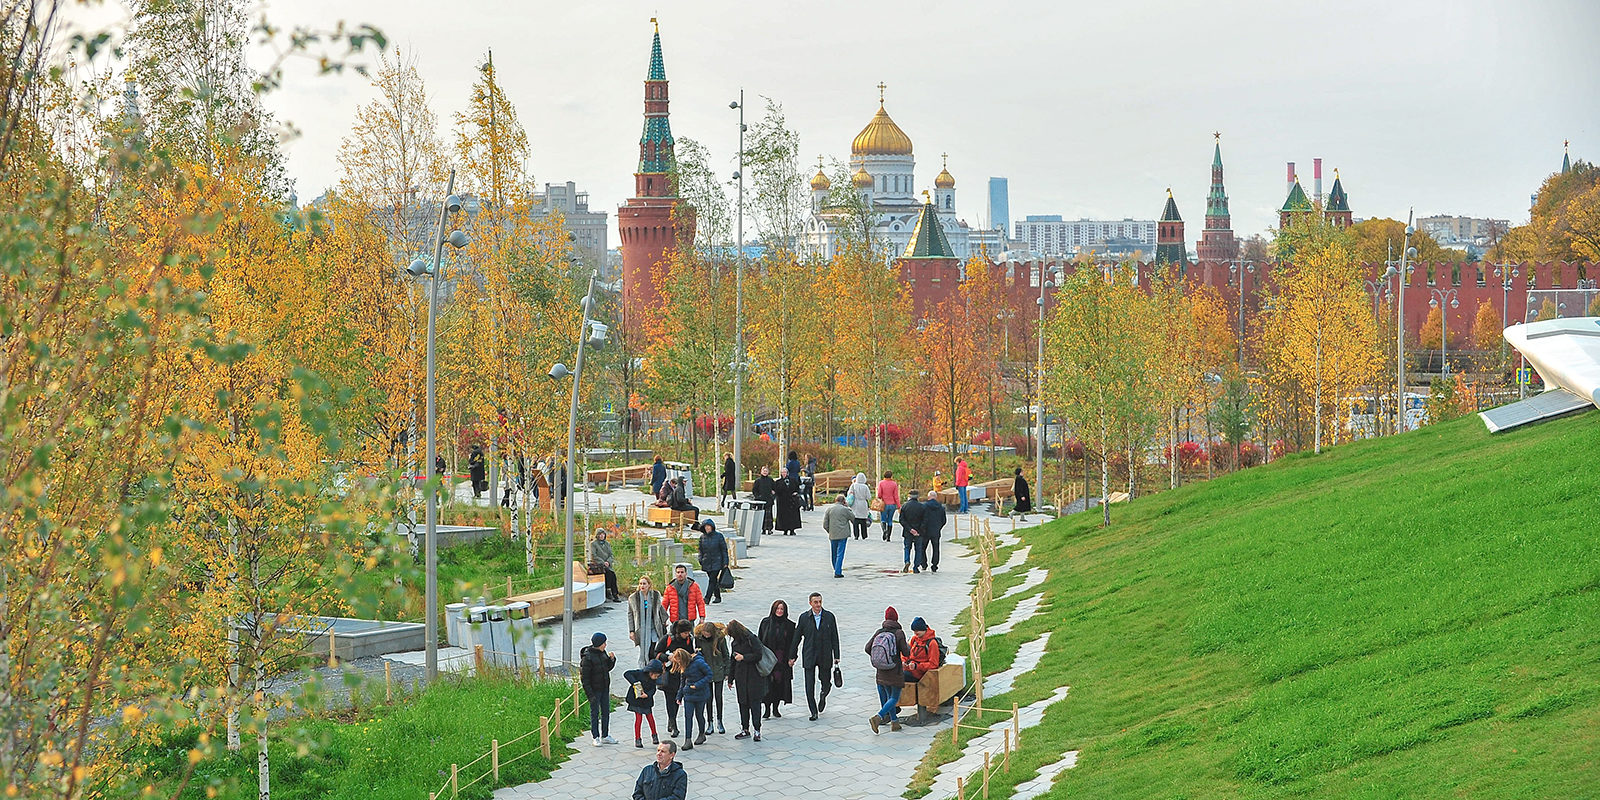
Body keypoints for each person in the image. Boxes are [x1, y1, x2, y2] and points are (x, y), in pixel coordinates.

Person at [792, 591, 840, 721]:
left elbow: (835, 637)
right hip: (809, 654)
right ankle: (813, 711)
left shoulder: (829, 616)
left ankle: (824, 693)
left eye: (820, 602)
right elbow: (797, 638)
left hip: (825, 654)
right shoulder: (804, 617)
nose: (818, 604)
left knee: (825, 680)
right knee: (809, 685)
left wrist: (837, 655)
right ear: (810, 603)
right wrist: (792, 655)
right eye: (815, 602)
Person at [865, 606, 911, 734]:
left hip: (881, 671)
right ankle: (878, 717)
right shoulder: (899, 633)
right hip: (894, 671)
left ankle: (894, 722)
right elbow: (906, 652)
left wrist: (880, 658)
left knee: (888, 696)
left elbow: (867, 648)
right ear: (896, 618)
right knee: (894, 698)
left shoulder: (879, 632)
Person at [653, 620, 696, 738]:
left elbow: (691, 653)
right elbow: (655, 653)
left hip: (681, 674)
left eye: (688, 632)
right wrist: (668, 657)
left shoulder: (689, 640)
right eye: (685, 633)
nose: (687, 635)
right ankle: (674, 724)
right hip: (668, 674)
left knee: (677, 699)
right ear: (679, 632)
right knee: (669, 699)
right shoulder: (668, 638)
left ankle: (672, 720)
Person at [725, 619, 765, 741]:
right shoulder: (735, 643)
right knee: (742, 703)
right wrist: (730, 678)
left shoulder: (751, 638)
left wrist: (744, 657)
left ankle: (757, 729)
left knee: (755, 703)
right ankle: (745, 728)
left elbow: (759, 654)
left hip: (754, 676)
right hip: (741, 677)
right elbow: (732, 661)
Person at [757, 600, 796, 719]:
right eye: (777, 609)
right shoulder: (766, 623)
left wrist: (792, 657)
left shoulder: (789, 625)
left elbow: (793, 643)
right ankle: (767, 708)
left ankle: (776, 707)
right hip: (768, 657)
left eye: (782, 609)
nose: (779, 611)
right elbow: (760, 640)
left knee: (780, 682)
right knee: (768, 682)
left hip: (782, 657)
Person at [581, 632, 618, 746]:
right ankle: (595, 736)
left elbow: (607, 668)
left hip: (604, 688)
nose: (605, 645)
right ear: (598, 644)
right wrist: (590, 695)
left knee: (606, 711)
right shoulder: (587, 658)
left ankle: (605, 735)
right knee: (595, 713)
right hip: (594, 690)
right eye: (604, 643)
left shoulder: (603, 654)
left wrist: (612, 660)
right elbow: (585, 679)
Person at [671, 649, 713, 750]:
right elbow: (682, 682)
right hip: (689, 693)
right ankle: (688, 740)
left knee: (699, 715)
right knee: (688, 716)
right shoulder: (683, 666)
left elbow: (709, 675)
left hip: (700, 693)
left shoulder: (699, 662)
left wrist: (697, 685)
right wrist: (679, 696)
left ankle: (701, 733)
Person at [694, 621, 730, 735]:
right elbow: (697, 654)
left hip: (718, 671)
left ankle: (720, 720)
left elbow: (726, 655)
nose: (706, 635)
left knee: (718, 697)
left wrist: (727, 672)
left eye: (708, 634)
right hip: (705, 672)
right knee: (708, 698)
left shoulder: (720, 639)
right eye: (704, 633)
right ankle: (710, 722)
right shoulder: (699, 639)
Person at [624, 658, 666, 748]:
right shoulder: (640, 673)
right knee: (638, 719)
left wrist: (647, 695)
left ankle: (654, 735)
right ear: (651, 672)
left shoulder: (653, 680)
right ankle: (638, 739)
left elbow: (653, 689)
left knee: (650, 718)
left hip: (646, 701)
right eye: (656, 675)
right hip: (636, 700)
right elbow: (627, 673)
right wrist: (635, 683)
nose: (656, 677)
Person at [628, 576, 668, 669]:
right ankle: (646, 665)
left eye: (644, 583)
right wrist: (631, 631)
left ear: (649, 585)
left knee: (653, 647)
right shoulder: (633, 598)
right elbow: (630, 614)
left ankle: (652, 665)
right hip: (641, 628)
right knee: (644, 647)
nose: (642, 586)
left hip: (654, 626)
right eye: (641, 583)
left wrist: (664, 620)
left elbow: (660, 609)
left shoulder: (655, 595)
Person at [694, 521, 727, 605]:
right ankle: (718, 596)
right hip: (706, 562)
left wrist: (725, 562)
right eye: (706, 527)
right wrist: (700, 559)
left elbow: (724, 550)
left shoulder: (719, 536)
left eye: (709, 526)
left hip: (717, 561)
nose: (707, 528)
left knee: (712, 579)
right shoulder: (702, 537)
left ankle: (707, 598)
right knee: (713, 580)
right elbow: (700, 550)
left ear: (712, 527)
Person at [822, 493, 853, 578]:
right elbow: (853, 518)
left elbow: (825, 524)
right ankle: (838, 571)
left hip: (833, 534)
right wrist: (848, 507)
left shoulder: (829, 509)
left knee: (834, 553)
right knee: (840, 553)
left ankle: (835, 568)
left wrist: (829, 531)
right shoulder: (845, 509)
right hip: (843, 534)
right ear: (843, 501)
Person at [903, 617, 941, 684]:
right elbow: (906, 654)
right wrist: (903, 661)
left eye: (917, 631)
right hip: (910, 669)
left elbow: (934, 664)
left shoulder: (932, 643)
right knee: (893, 674)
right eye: (914, 631)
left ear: (923, 629)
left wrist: (917, 666)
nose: (915, 633)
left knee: (898, 676)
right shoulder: (914, 639)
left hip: (921, 673)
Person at [589, 527, 622, 602]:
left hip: (607, 564)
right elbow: (594, 555)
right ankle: (611, 592)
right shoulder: (593, 544)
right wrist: (603, 562)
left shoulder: (607, 544)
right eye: (600, 534)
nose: (602, 536)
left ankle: (614, 594)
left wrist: (608, 562)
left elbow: (611, 555)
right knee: (610, 574)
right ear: (597, 535)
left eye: (603, 534)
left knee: (612, 575)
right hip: (599, 565)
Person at [919, 489, 947, 574]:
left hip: (925, 531)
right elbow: (944, 520)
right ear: (936, 497)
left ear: (928, 497)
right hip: (936, 531)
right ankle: (934, 565)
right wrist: (939, 527)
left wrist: (922, 528)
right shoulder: (941, 508)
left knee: (922, 548)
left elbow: (921, 518)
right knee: (936, 548)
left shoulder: (924, 506)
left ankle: (924, 564)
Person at [898, 489, 925, 574]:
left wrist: (910, 529)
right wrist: (918, 530)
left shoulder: (905, 506)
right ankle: (916, 566)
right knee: (918, 549)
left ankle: (907, 561)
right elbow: (925, 520)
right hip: (919, 532)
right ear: (918, 496)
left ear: (909, 496)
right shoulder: (922, 507)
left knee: (907, 547)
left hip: (907, 531)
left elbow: (902, 520)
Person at [774, 467, 802, 535]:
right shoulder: (778, 482)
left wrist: (796, 492)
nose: (784, 474)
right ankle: (785, 529)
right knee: (783, 516)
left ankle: (792, 530)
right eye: (782, 472)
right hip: (782, 501)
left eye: (785, 472)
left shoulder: (793, 480)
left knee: (793, 516)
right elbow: (776, 491)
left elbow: (797, 488)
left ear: (787, 473)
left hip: (792, 500)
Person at [750, 465, 775, 535]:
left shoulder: (770, 480)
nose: (765, 472)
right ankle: (763, 529)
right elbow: (754, 490)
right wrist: (758, 497)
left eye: (766, 471)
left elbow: (775, 489)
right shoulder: (758, 481)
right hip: (760, 501)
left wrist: (773, 495)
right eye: (764, 471)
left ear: (768, 472)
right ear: (761, 472)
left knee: (769, 515)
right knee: (762, 516)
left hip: (769, 500)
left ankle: (769, 529)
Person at [876, 471, 900, 541]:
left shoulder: (881, 483)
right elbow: (896, 496)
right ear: (891, 476)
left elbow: (879, 494)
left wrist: (879, 497)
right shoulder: (894, 484)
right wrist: (898, 505)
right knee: (890, 520)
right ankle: (888, 537)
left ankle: (884, 531)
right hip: (892, 504)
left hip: (884, 504)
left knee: (883, 519)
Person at [848, 472, 871, 540]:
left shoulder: (853, 485)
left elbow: (849, 493)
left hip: (855, 503)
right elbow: (868, 497)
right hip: (863, 504)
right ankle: (864, 535)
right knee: (863, 520)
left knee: (856, 520)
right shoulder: (865, 487)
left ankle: (856, 535)